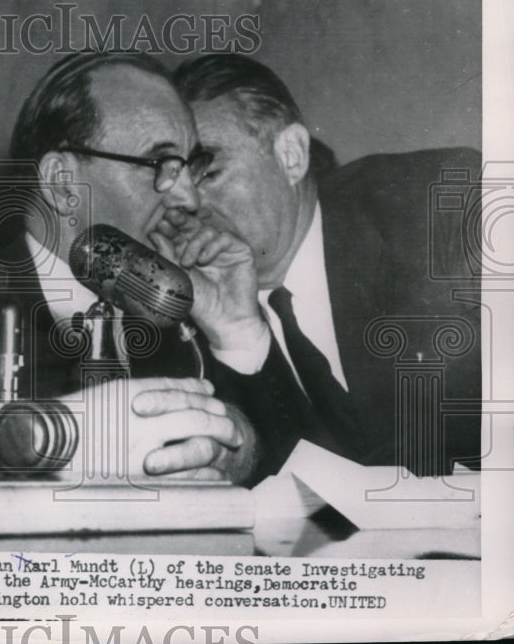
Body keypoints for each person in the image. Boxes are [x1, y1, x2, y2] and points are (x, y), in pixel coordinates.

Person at [171, 53, 481, 476]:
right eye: (169, 186)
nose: (185, 205)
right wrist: (240, 336)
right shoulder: (181, 319)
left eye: (207, 174)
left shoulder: (438, 211)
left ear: (292, 155)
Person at [0, 50, 266, 484]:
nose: (191, 201)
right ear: (64, 184)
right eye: (160, 165)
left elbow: (289, 482)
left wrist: (235, 331)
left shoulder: (171, 314)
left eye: (191, 166)